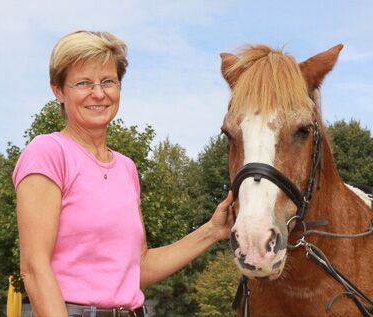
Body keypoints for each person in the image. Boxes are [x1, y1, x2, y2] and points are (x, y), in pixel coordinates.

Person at [13, 30, 234, 317]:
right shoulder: (48, 152)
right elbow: (33, 267)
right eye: (83, 83)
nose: (98, 93)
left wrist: (212, 231)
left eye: (108, 81)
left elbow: (136, 268)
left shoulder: (126, 168)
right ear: (58, 90)